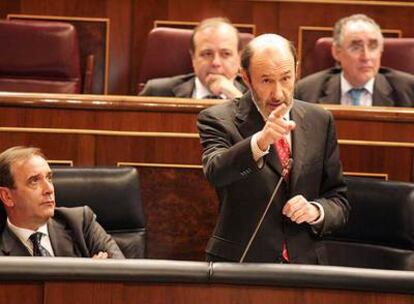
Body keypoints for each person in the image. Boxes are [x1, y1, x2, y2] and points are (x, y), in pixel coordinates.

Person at [197, 33, 350, 263]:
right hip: (242, 263)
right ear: (246, 78)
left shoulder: (320, 120)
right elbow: (216, 172)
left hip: (306, 265)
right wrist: (260, 142)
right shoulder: (217, 119)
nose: (278, 93)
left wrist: (316, 211)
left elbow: (338, 199)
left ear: (296, 71)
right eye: (266, 80)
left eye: (286, 78)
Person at [0, 146, 124, 258]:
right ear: (7, 197)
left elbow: (123, 274)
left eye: (49, 178)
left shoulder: (81, 223)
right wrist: (89, 280)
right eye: (34, 181)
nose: (49, 189)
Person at [295, 14, 414, 107]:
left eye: (373, 46)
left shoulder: (408, 91)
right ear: (337, 52)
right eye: (356, 47)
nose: (366, 57)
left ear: (381, 51)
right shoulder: (306, 92)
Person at [140, 17, 246, 99]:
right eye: (207, 54)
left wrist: (236, 97)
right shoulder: (157, 93)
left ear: (239, 59)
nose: (216, 62)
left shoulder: (256, 95)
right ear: (193, 58)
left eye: (226, 54)